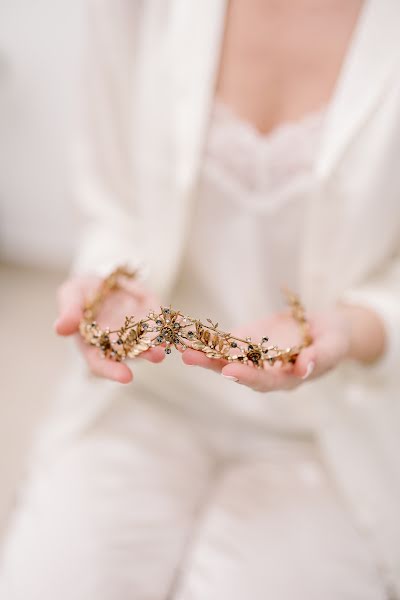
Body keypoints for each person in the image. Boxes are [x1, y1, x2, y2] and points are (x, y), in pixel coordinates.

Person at [1, 1, 400, 598]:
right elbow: (113, 206)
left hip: (337, 423)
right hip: (146, 392)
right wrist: (107, 287)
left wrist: (350, 328)